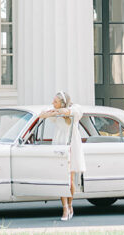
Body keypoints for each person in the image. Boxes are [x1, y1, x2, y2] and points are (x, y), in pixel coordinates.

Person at [37, 90, 84, 221]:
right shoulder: (54, 111)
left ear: (62, 103)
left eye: (55, 101)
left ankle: (70, 205)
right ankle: (65, 208)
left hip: (72, 145)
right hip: (59, 144)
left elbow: (71, 112)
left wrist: (59, 111)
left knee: (70, 179)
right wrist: (53, 111)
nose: (53, 103)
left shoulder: (74, 109)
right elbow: (41, 115)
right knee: (61, 178)